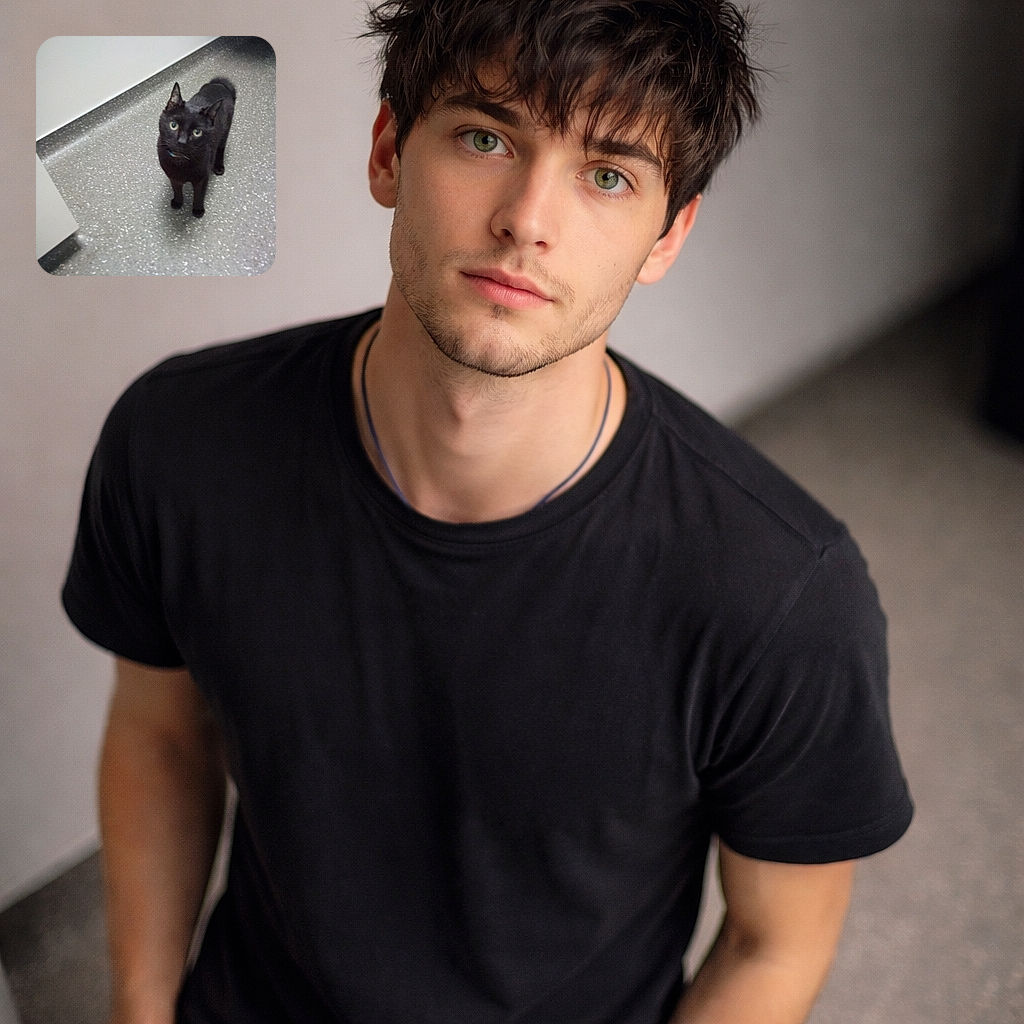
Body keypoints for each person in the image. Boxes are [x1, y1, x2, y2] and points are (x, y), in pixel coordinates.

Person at [62, 2, 914, 1022]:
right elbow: (160, 736)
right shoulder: (178, 443)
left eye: (607, 174)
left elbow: (772, 942)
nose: (525, 219)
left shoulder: (780, 592)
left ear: (666, 233)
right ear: (388, 152)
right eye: (484, 136)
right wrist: (142, 1010)